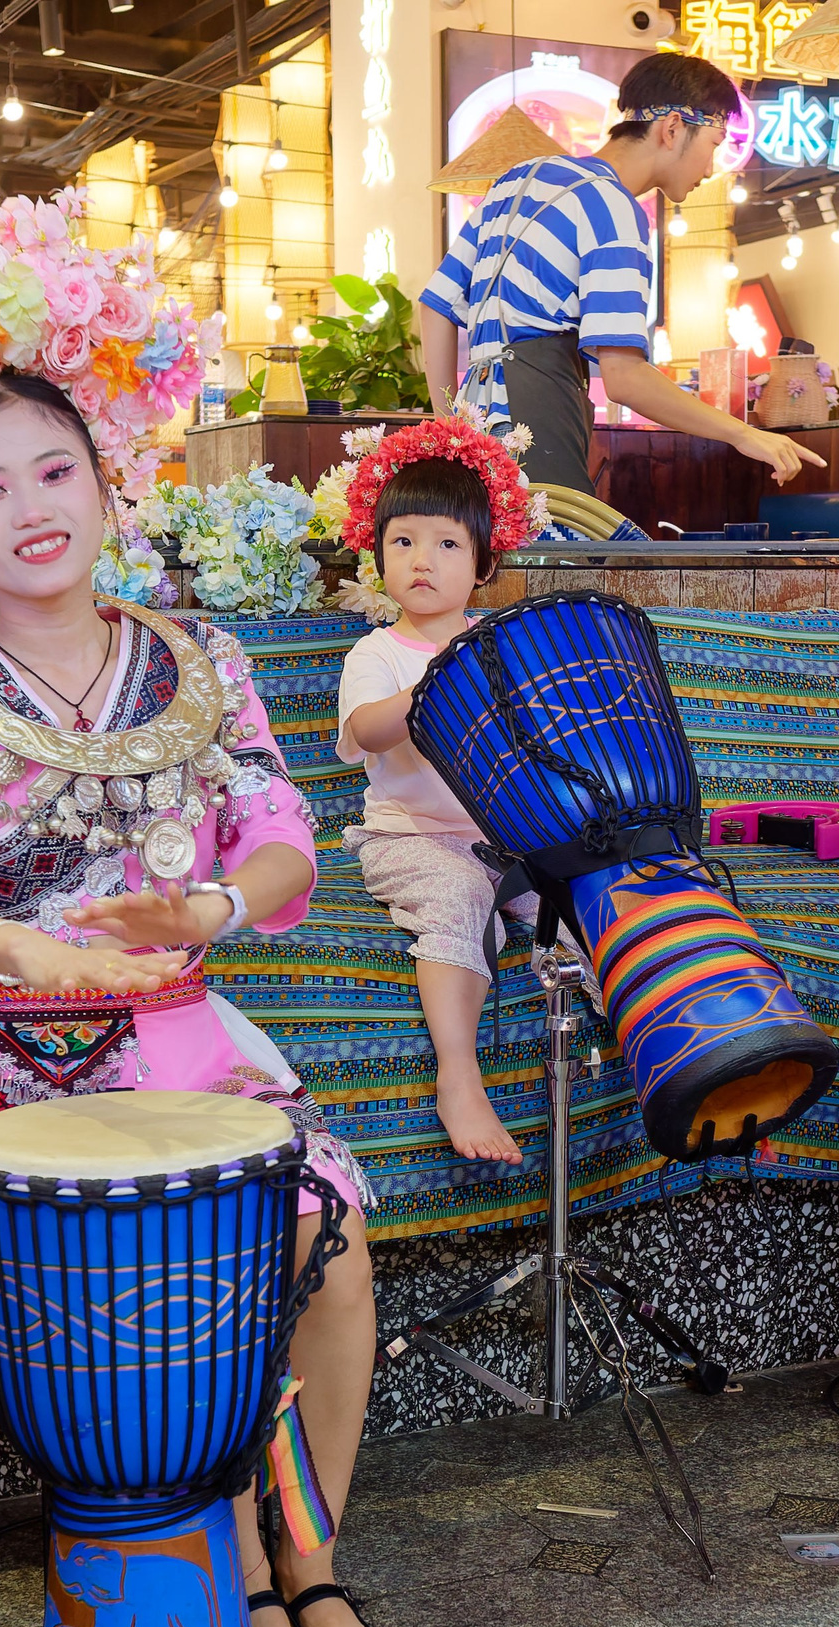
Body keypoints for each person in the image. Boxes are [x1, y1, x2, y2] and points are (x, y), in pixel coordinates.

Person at [0, 373, 416, 1627]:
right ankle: (234, 1583)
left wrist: (212, 913)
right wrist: (29, 952)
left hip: (184, 1040)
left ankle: (314, 1566)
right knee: (180, 1283)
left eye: (54, 473)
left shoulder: (204, 660)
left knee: (330, 1243)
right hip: (11, 1058)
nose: (29, 511)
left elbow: (280, 830)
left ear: (106, 485)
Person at [419, 51, 820, 493]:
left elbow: (436, 305)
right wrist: (744, 433)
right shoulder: (613, 209)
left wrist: (449, 429)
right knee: (555, 556)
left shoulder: (519, 177)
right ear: (672, 129)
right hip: (534, 438)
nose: (710, 169)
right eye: (714, 143)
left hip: (474, 441)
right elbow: (625, 379)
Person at [334, 422, 543, 1164]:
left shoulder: (505, 642)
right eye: (404, 542)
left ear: (483, 563)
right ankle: (459, 1075)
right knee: (458, 898)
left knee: (589, 904)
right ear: (379, 554)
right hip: (410, 839)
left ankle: (663, 1053)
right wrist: (440, 681)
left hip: (511, 838)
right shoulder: (379, 653)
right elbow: (370, 728)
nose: (422, 560)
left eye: (447, 544)